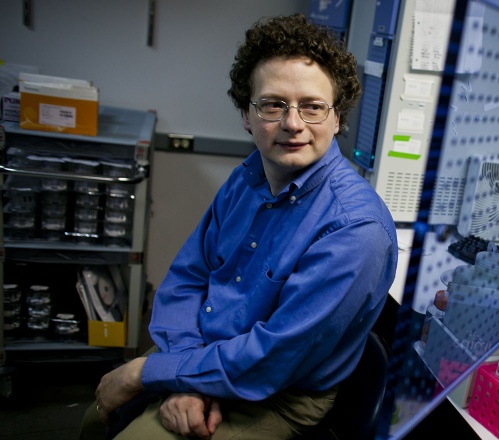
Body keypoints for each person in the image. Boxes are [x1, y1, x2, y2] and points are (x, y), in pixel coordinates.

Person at [79, 13, 398, 440]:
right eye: (272, 104)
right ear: (246, 116)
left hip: (278, 391)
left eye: (313, 107)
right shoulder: (247, 178)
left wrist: (153, 373)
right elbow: (189, 278)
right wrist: (183, 374)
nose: (293, 123)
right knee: (94, 419)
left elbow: (273, 357)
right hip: (208, 351)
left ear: (337, 119)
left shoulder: (355, 231)